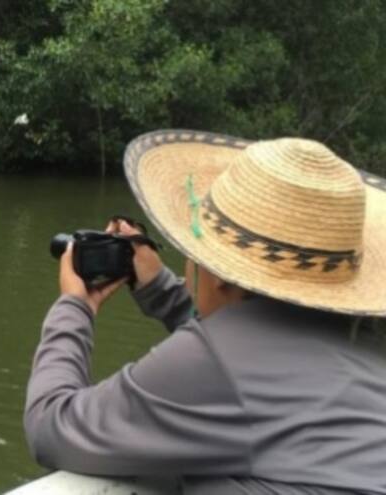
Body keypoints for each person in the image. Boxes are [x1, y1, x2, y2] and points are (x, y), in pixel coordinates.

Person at [24, 130, 386, 494]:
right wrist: (158, 287)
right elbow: (254, 342)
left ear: (219, 274)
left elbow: (50, 425)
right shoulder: (364, 346)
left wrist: (74, 307)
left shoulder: (213, 361)